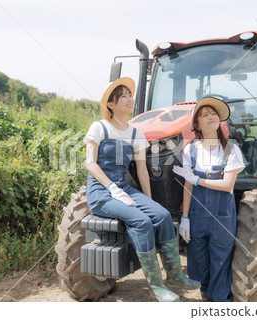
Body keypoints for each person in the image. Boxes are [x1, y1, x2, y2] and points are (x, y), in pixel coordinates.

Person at [84, 77, 199, 302]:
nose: (130, 99)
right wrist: (110, 187)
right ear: (110, 104)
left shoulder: (136, 133)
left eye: (130, 95)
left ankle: (175, 276)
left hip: (124, 189)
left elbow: (142, 170)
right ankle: (157, 286)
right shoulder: (100, 127)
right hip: (100, 192)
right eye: (123, 96)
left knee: (163, 215)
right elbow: (91, 164)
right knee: (141, 222)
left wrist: (149, 201)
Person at [173, 95, 245, 302]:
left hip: (222, 216)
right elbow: (187, 186)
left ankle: (220, 302)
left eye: (214, 113)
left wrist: (197, 180)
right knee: (198, 261)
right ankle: (206, 297)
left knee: (220, 262)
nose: (211, 117)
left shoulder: (231, 150)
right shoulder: (191, 150)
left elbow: (227, 185)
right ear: (196, 123)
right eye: (205, 114)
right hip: (197, 214)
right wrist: (185, 218)